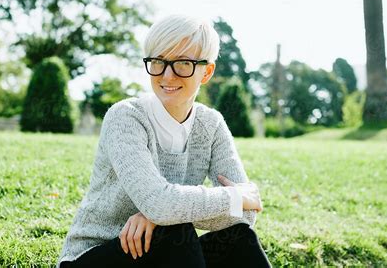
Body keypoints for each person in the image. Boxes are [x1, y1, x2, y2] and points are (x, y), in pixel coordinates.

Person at [57, 14, 272, 267]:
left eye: (183, 64)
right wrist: (229, 198)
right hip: (95, 257)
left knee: (238, 237)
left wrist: (164, 213)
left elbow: (245, 215)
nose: (167, 76)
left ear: (207, 72)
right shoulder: (125, 117)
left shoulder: (211, 124)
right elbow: (161, 205)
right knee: (175, 231)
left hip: (164, 253)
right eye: (158, 62)